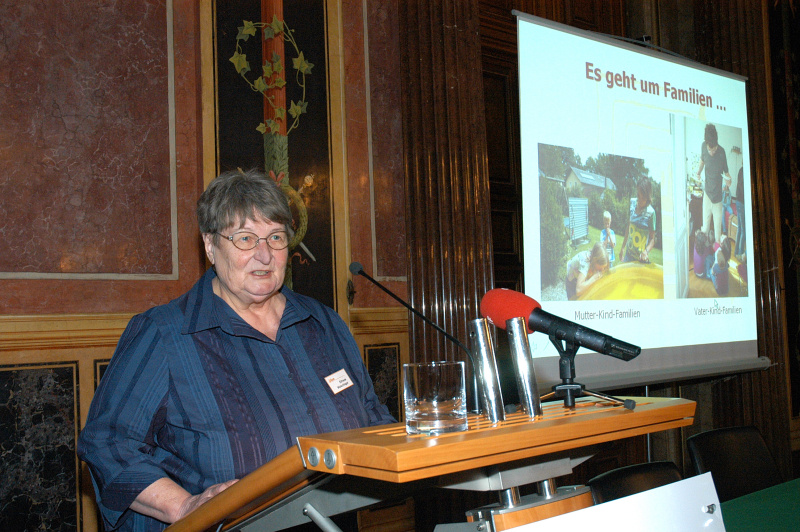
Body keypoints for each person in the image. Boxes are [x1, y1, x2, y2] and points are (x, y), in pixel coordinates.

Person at [77, 169, 395, 531]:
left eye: (275, 238)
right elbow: (108, 443)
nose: (264, 255)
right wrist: (184, 506)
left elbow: (372, 419)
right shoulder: (165, 334)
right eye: (245, 238)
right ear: (210, 246)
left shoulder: (324, 324)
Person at [696, 123, 732, 244]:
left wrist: (729, 181)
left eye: (714, 149)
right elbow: (702, 161)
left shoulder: (722, 152)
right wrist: (698, 172)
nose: (712, 152)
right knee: (704, 230)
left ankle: (717, 259)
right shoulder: (703, 146)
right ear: (706, 144)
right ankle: (705, 258)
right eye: (710, 149)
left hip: (717, 200)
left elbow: (727, 174)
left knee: (717, 234)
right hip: (707, 196)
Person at [621, 179, 657, 263]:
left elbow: (652, 239)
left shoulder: (651, 213)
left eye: (643, 198)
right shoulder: (632, 203)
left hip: (640, 260)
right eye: (638, 195)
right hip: (628, 256)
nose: (639, 200)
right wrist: (623, 247)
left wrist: (646, 252)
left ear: (648, 197)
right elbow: (628, 227)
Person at [734, 166, 746, 259]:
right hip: (741, 202)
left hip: (738, 201)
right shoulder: (743, 171)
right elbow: (742, 187)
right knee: (743, 231)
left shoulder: (741, 170)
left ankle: (736, 252)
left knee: (740, 229)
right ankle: (740, 253)